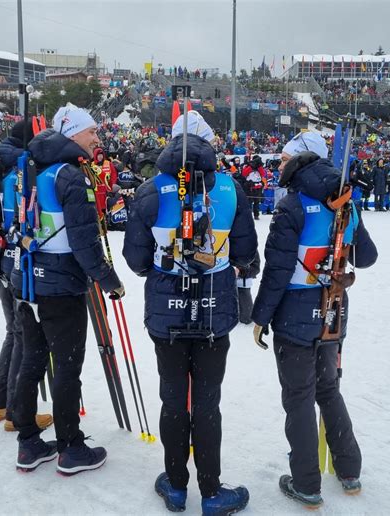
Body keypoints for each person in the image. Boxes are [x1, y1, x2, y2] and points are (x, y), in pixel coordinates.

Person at [123, 110, 257, 515]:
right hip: (214, 312)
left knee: (172, 401)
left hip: (167, 313)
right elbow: (249, 256)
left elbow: (136, 259)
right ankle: (211, 492)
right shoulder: (231, 189)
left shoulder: (150, 190)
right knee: (207, 403)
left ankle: (177, 486)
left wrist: (165, 269)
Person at [252, 132, 378, 508]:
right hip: (333, 311)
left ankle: (306, 483)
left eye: (285, 157)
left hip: (296, 315)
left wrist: (260, 317)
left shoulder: (293, 204)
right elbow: (367, 256)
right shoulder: (343, 202)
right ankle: (349, 469)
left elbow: (277, 270)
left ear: (301, 159)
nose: (280, 163)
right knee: (328, 390)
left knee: (299, 397)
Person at [11, 104, 125, 474]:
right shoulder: (71, 175)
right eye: (91, 132)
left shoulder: (33, 166)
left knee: (33, 359)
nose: (97, 138)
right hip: (61, 284)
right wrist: (110, 280)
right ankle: (70, 447)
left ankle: (28, 442)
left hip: (28, 280)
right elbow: (84, 242)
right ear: (73, 133)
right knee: (67, 366)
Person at [0, 121, 53, 432]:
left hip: (2, 256)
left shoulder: (1, 163)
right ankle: (15, 410)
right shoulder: (22, 167)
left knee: (13, 333)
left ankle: (2, 403)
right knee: (22, 335)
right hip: (18, 259)